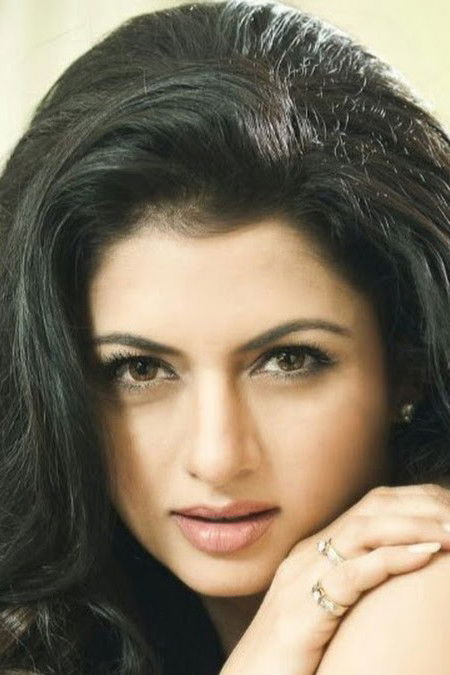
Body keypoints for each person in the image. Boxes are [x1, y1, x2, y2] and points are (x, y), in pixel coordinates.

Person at [0, 0, 449, 673]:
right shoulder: (62, 620)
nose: (216, 459)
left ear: (407, 360)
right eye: (139, 369)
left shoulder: (425, 592)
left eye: (288, 359)